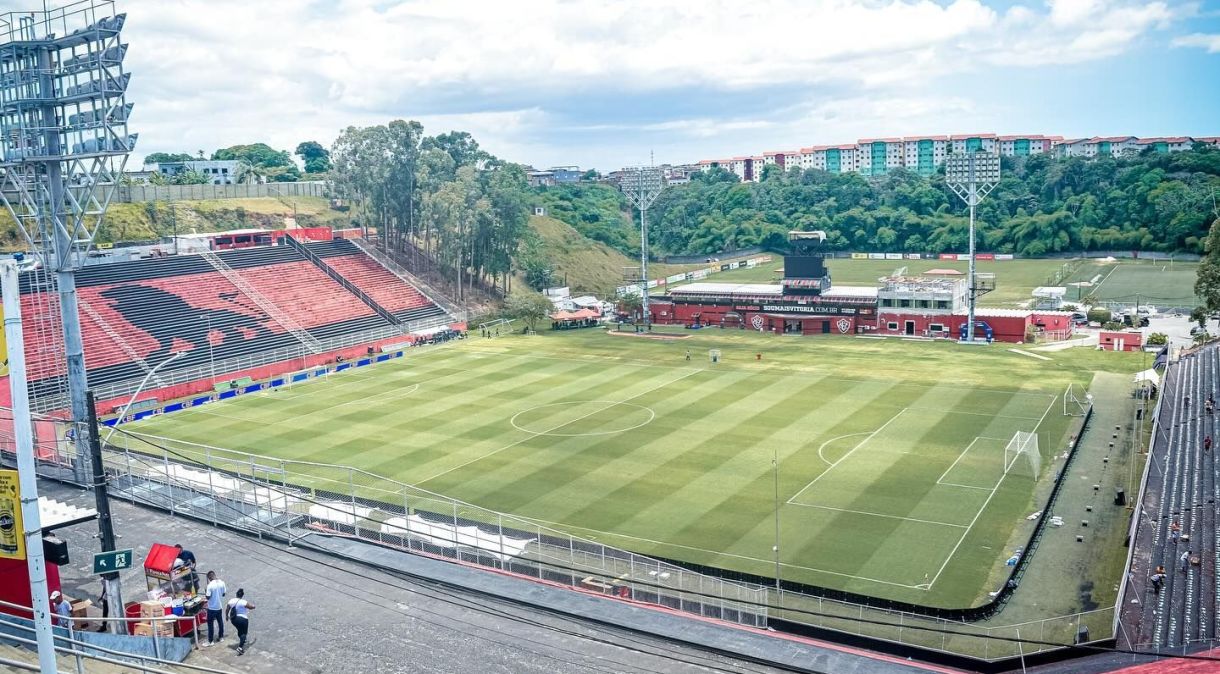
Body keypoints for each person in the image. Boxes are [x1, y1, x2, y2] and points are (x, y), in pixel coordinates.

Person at [227, 589, 255, 655]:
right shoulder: (243, 602)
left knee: (239, 630)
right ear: (242, 595)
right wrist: (254, 606)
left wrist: (226, 616)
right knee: (244, 633)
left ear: (236, 594)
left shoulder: (231, 600)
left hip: (234, 620)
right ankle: (240, 648)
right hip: (243, 619)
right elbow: (251, 607)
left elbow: (227, 609)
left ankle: (243, 640)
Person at [204, 571, 227, 646]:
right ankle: (221, 637)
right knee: (220, 622)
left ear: (209, 578)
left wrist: (205, 591)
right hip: (219, 607)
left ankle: (210, 641)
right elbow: (223, 594)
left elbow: (208, 597)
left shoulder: (210, 585)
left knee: (210, 624)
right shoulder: (222, 583)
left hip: (211, 608)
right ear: (214, 575)